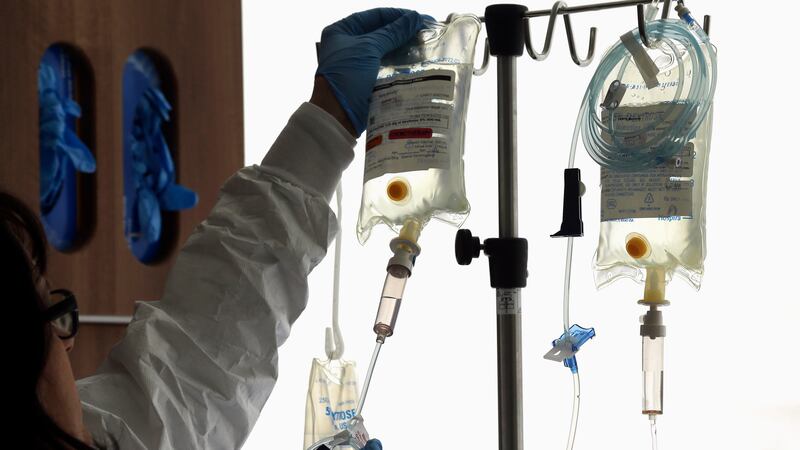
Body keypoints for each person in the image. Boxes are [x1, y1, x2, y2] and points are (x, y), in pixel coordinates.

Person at [5, 8, 428, 449]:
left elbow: (192, 381)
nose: (66, 347)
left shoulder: (101, 432)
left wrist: (327, 122)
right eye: (48, 321)